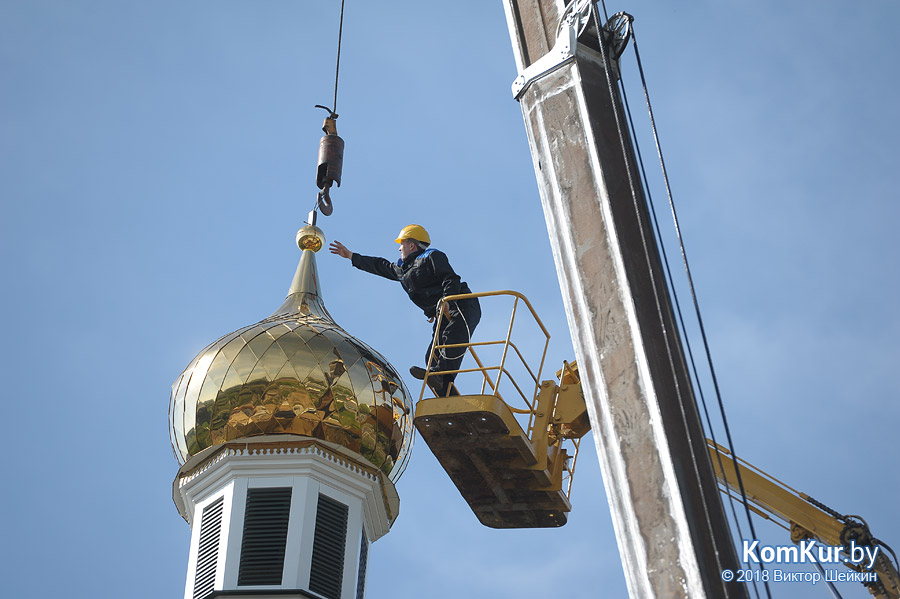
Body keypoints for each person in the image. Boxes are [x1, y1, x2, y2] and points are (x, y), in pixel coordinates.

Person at [329, 224, 480, 397]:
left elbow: (450, 278)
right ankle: (448, 395)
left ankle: (441, 379)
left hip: (461, 303)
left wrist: (447, 300)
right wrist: (351, 256)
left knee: (452, 339)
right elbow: (380, 265)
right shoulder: (403, 269)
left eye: (402, 244)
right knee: (432, 356)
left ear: (412, 245)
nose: (399, 248)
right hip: (443, 310)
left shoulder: (432, 256)